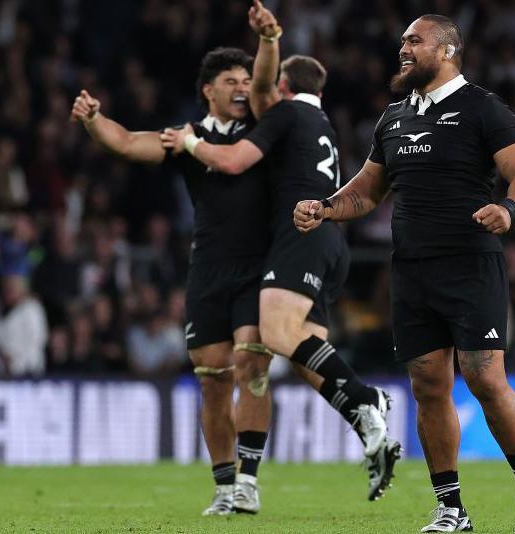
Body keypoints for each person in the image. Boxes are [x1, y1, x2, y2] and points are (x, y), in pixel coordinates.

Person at [292, 14, 515, 533]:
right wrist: (324, 207)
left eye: (415, 41)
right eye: (402, 42)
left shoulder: (482, 108)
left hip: (470, 265)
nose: (403, 49)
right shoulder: (393, 118)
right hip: (411, 272)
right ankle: (451, 508)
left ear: (447, 50)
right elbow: (366, 191)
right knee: (428, 386)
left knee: (484, 378)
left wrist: (509, 210)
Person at [71, 2, 287, 515]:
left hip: (259, 269)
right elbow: (125, 143)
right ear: (208, 89)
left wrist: (269, 40)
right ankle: (224, 486)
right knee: (213, 380)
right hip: (208, 272)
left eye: (246, 77)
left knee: (251, 365)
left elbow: (265, 77)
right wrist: (95, 120)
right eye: (230, 79)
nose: (242, 86)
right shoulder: (185, 136)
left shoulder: (265, 128)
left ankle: (250, 482)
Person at [159, 55, 400, 501]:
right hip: (330, 239)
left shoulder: (287, 112)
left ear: (281, 86)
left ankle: (367, 399)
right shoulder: (321, 121)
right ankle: (370, 427)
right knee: (305, 351)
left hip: (300, 232)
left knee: (274, 332)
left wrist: (191, 142)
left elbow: (232, 161)